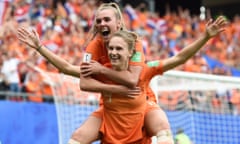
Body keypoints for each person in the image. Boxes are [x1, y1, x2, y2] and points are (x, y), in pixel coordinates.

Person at [16, 1, 227, 143]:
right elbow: (75, 74)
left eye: (106, 20)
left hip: (141, 107)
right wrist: (40, 47)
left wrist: (206, 37)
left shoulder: (135, 44)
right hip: (109, 111)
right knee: (77, 137)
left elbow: (138, 77)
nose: (101, 24)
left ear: (119, 24)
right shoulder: (95, 50)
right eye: (98, 21)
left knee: (163, 127)